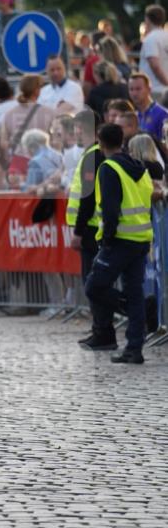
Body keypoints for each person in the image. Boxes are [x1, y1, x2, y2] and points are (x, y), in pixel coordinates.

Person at [83, 122, 153, 363]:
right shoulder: (140, 167)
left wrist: (108, 240)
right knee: (134, 292)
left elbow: (110, 209)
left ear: (101, 144)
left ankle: (139, 310)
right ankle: (134, 348)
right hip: (141, 239)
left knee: (94, 286)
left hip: (120, 240)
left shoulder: (108, 168)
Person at [66, 110, 102, 346]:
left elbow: (87, 199)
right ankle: (99, 329)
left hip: (90, 228)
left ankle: (103, 330)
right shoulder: (90, 154)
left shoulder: (93, 155)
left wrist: (78, 232)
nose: (75, 133)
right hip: (89, 227)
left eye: (78, 128)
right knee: (92, 283)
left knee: (93, 284)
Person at [0, 75, 55, 165]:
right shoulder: (49, 113)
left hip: (18, 162)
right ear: (37, 90)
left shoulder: (9, 114)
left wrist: (17, 145)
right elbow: (56, 141)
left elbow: (3, 143)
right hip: (43, 161)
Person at [127, 72, 168, 140]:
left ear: (149, 89)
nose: (134, 93)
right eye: (131, 89)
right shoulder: (134, 115)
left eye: (138, 89)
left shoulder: (162, 114)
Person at [139, 4, 168, 94]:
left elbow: (155, 65)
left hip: (155, 89)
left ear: (147, 19)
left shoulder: (151, 39)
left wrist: (166, 82)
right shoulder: (166, 36)